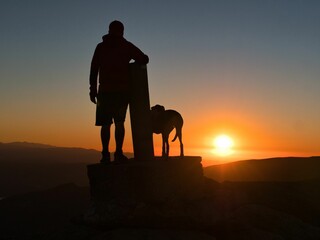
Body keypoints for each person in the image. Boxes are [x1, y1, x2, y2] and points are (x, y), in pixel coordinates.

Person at [89, 20, 149, 163]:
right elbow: (144, 58)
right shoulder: (126, 46)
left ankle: (105, 155)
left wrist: (93, 89)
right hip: (122, 92)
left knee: (105, 124)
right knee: (119, 123)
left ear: (109, 30)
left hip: (104, 92)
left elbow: (93, 69)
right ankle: (118, 153)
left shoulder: (101, 47)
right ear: (122, 31)